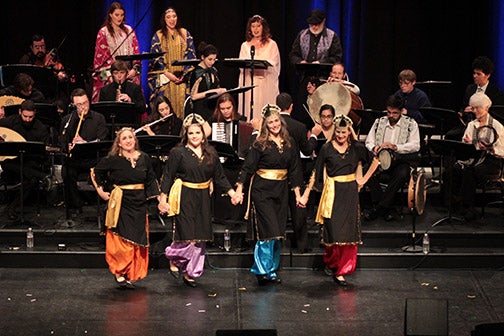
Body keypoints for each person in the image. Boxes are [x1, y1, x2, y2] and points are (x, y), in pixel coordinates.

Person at [158, 113, 241, 287]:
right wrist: (162, 199)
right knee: (187, 234)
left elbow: (220, 177)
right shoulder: (178, 153)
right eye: (191, 133)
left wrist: (233, 193)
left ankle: (191, 272)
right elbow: (167, 176)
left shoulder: (210, 153)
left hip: (203, 197)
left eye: (198, 132)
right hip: (185, 195)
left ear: (203, 134)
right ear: (186, 135)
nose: (195, 136)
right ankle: (174, 257)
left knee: (200, 236)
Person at [301, 114, 378, 285]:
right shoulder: (327, 148)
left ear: (349, 132)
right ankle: (332, 262)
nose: (341, 136)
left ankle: (342, 270)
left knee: (349, 233)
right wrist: (306, 194)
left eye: (344, 132)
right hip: (333, 192)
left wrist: (363, 180)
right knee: (333, 231)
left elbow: (375, 161)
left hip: (350, 192)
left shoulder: (356, 148)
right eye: (338, 132)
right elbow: (316, 171)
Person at [235, 104, 304, 286]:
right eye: (270, 122)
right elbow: (248, 167)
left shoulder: (289, 143)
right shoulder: (259, 144)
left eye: (276, 121)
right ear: (265, 125)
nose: (274, 125)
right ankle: (261, 269)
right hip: (262, 191)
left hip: (281, 191)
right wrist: (240, 188)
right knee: (268, 230)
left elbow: (295, 170)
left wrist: (297, 194)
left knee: (278, 233)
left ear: (280, 121)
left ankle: (271, 270)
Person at [91, 127, 159, 289]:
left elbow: (150, 179)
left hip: (139, 203)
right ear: (119, 143)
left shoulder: (144, 158)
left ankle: (130, 272)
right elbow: (95, 172)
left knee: (136, 238)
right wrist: (101, 191)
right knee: (120, 239)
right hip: (121, 202)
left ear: (135, 140)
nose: (128, 140)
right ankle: (119, 272)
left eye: (131, 137)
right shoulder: (113, 159)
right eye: (125, 138)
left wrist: (159, 200)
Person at [444, 93, 504, 221]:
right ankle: (454, 205)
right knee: (450, 171)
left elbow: (502, 151)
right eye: (473, 108)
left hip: (491, 162)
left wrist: (491, 148)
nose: (475, 111)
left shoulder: (497, 126)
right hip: (473, 158)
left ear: (486, 108)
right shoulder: (472, 125)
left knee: (469, 172)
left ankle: (469, 208)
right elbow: (466, 144)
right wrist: (467, 143)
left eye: (478, 108)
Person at [364, 95, 421, 221]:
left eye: (395, 113)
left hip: (399, 161)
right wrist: (375, 147)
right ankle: (385, 208)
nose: (391, 115)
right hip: (380, 161)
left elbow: (415, 146)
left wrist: (396, 147)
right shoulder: (379, 121)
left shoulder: (411, 123)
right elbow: (369, 141)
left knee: (403, 173)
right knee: (366, 170)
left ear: (401, 111)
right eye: (389, 112)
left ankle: (379, 208)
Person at [276, 93, 321, 253]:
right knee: (298, 209)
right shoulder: (299, 127)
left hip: (275, 175)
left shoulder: (272, 125)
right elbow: (308, 150)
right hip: (295, 173)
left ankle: (276, 245)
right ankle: (301, 246)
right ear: (291, 106)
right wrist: (315, 134)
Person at [59, 88, 108, 214]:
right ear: (74, 105)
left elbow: (102, 141)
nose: (83, 107)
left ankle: (103, 202)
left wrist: (84, 143)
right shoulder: (68, 120)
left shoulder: (99, 118)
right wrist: (68, 146)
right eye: (79, 105)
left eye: (85, 103)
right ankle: (76, 206)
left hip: (94, 158)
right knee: (67, 171)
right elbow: (62, 142)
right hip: (76, 159)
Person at [289, 9, 342, 124]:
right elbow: (293, 54)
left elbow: (336, 57)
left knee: (321, 112)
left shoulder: (332, 36)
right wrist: (300, 61)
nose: (314, 26)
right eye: (312, 24)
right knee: (304, 112)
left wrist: (321, 62)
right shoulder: (302, 35)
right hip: (304, 79)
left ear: (323, 22)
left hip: (324, 80)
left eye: (317, 24)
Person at [0, 100, 50, 220]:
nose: (27, 119)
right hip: (11, 164)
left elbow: (45, 153)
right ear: (20, 112)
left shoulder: (41, 129)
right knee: (7, 163)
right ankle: (42, 177)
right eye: (25, 116)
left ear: (35, 113)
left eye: (30, 117)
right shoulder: (10, 122)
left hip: (31, 163)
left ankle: (12, 207)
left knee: (31, 179)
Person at [148, 7, 196, 118]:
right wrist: (167, 74)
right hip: (166, 79)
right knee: (166, 109)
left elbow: (191, 55)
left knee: (183, 109)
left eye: (174, 16)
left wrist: (184, 74)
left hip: (182, 80)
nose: (172, 19)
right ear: (164, 19)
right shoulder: (158, 36)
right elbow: (155, 60)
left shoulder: (185, 34)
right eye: (168, 17)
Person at [92, 2, 141, 103]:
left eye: (122, 15)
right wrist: (119, 72)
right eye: (117, 15)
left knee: (135, 87)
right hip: (111, 73)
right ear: (110, 15)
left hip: (128, 74)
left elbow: (137, 55)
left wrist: (134, 70)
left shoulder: (129, 30)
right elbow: (101, 59)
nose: (120, 18)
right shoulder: (103, 32)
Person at [446, 56, 504, 140]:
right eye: (474, 73)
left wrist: (476, 110)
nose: (474, 76)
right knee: (450, 136)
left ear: (487, 75)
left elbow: (497, 114)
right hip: (468, 124)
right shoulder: (470, 89)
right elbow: (464, 106)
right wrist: (462, 112)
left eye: (478, 74)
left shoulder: (496, 92)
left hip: (486, 126)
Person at [237, 15, 280, 121]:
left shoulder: (272, 44)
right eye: (253, 26)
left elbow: (275, 65)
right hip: (249, 83)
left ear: (263, 27)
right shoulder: (245, 46)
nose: (255, 29)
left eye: (258, 26)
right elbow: (241, 66)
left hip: (266, 83)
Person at [98, 59, 146, 126]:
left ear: (126, 74)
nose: (119, 76)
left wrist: (130, 101)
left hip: (131, 125)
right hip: (112, 126)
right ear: (112, 74)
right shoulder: (105, 90)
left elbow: (143, 109)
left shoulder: (134, 88)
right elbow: (101, 113)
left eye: (122, 73)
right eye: (116, 73)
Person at [188, 42, 226, 122]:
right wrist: (214, 91)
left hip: (212, 108)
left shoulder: (213, 71)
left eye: (214, 59)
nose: (212, 62)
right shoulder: (197, 72)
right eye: (210, 59)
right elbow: (193, 96)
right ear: (202, 57)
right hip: (201, 109)